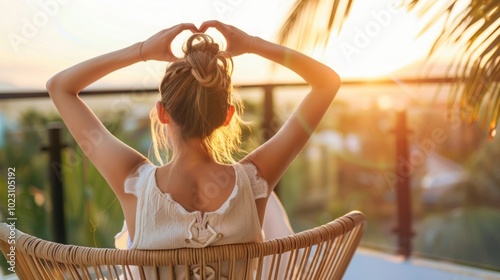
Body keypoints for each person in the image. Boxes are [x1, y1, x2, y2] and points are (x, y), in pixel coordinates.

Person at [47, 21, 340, 278]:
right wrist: (252, 44)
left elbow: (60, 86)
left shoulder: (133, 182)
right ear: (227, 116)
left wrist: (142, 51)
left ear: (162, 113)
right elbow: (326, 83)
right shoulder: (255, 180)